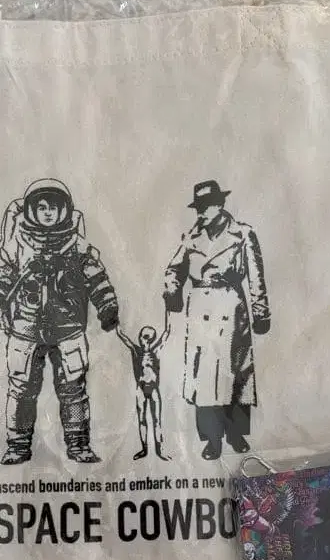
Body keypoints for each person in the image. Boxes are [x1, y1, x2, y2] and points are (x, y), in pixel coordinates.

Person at [0, 179, 119, 465]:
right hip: (25, 330)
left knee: (73, 390)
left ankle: (78, 445)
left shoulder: (77, 245)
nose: (48, 213)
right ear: (31, 211)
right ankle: (18, 446)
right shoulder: (17, 246)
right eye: (41, 208)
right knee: (21, 390)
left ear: (65, 210)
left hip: (68, 330)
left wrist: (108, 307)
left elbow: (97, 278)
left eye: (54, 208)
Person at [163, 180, 271, 460]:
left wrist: (261, 312)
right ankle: (212, 440)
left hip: (231, 307)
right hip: (200, 310)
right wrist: (172, 292)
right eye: (198, 207)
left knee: (236, 374)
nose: (200, 212)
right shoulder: (191, 238)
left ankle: (236, 434)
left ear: (220, 205)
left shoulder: (243, 234)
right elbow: (174, 269)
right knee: (203, 377)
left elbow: (256, 277)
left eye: (206, 206)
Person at [116, 311, 170, 461]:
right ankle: (144, 449)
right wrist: (115, 316)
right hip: (140, 389)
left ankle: (160, 450)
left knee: (157, 420)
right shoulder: (136, 351)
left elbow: (167, 332)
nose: (141, 339)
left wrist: (168, 310)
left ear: (151, 339)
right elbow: (121, 335)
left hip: (153, 390)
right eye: (141, 335)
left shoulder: (155, 351)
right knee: (142, 420)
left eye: (145, 337)